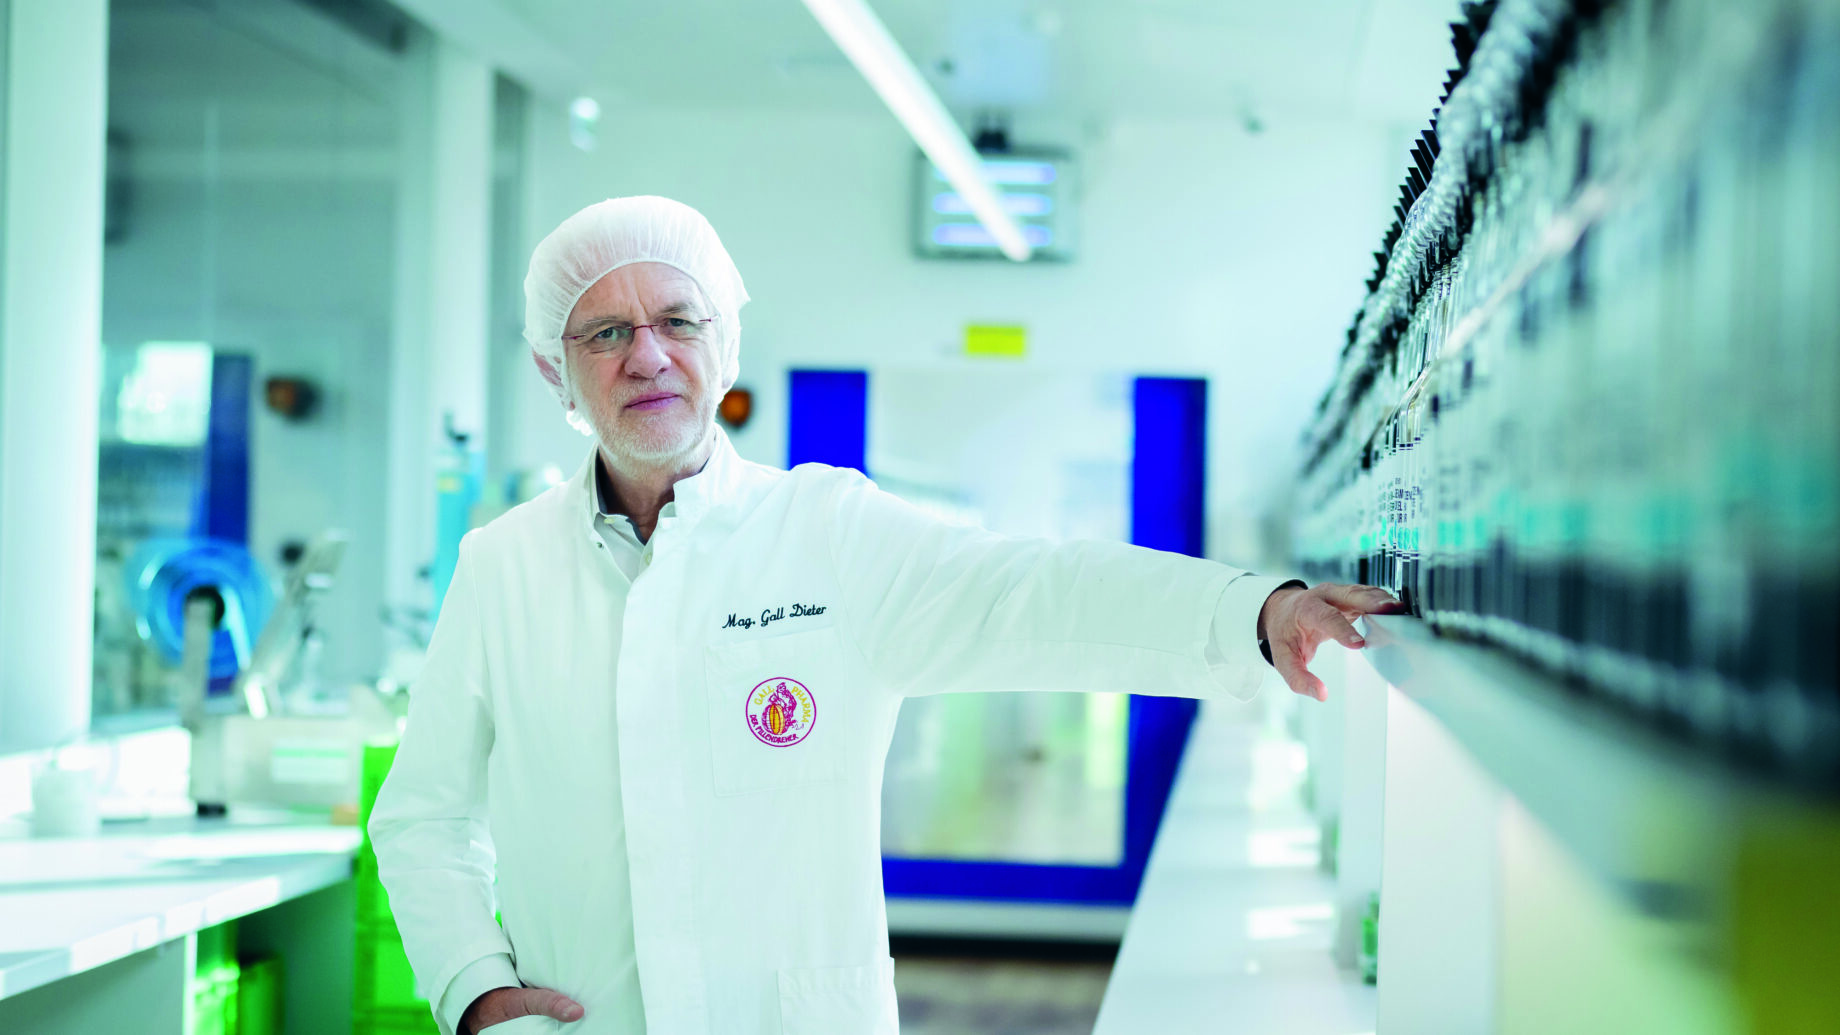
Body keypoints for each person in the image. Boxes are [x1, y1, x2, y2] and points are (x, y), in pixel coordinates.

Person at [368, 196, 1405, 1035]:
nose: (647, 355)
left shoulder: (827, 529)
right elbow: (423, 816)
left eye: (677, 321)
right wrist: (473, 989)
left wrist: (1250, 613)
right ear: (558, 369)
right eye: (605, 332)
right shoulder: (502, 567)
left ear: (721, 346)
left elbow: (1032, 592)